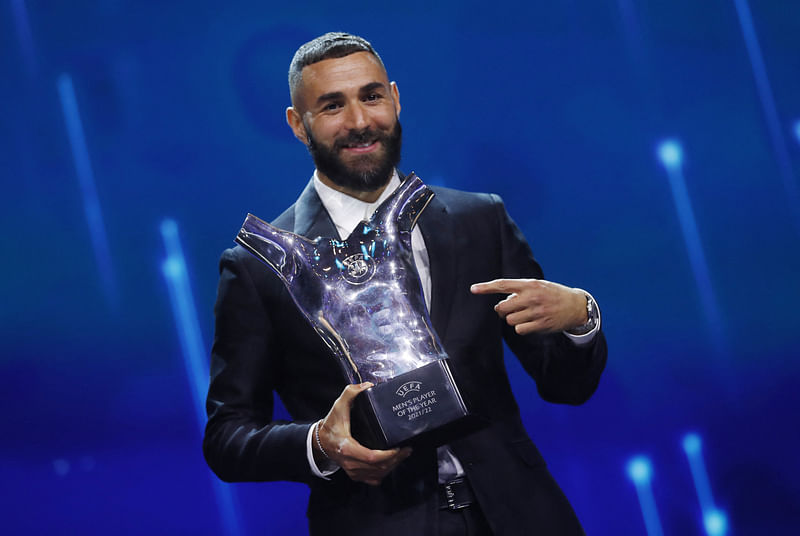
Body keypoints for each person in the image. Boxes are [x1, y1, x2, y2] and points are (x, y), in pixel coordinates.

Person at [203, 32, 607, 536]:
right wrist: (320, 445)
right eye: (332, 106)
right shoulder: (260, 265)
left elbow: (566, 385)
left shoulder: (479, 219)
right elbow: (227, 437)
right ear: (298, 125)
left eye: (371, 97)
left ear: (395, 98)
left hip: (520, 515)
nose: (359, 121)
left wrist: (581, 318)